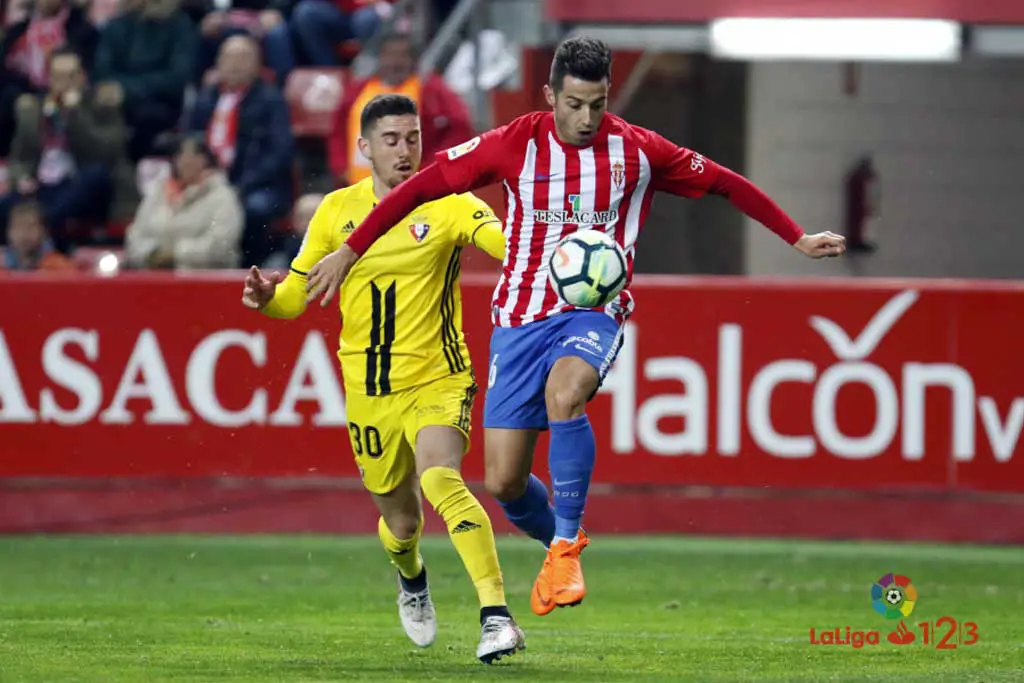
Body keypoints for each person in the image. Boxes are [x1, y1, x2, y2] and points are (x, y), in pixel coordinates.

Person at [302, 37, 847, 617]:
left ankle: (565, 542)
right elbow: (418, 189)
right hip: (518, 319)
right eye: (575, 104)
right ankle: (560, 544)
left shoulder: (639, 150)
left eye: (598, 103)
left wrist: (797, 237)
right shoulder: (511, 144)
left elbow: (724, 182)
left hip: (592, 310)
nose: (587, 118)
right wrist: (351, 249)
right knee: (504, 483)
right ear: (550, 95)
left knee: (567, 392)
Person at [239, 94, 525, 664]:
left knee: (442, 477)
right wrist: (269, 301)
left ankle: (496, 615)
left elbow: (505, 243)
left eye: (413, 137)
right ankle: (412, 579)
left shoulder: (448, 202)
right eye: (391, 140)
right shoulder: (335, 211)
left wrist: (540, 240)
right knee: (400, 522)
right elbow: (299, 294)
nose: (405, 150)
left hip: (437, 378)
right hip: (368, 392)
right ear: (364, 148)